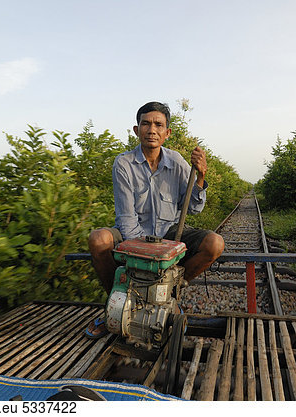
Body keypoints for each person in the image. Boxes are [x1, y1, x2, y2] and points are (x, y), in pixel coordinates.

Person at [84, 101, 225, 338]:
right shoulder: (123, 163)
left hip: (170, 232)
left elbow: (193, 209)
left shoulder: (178, 162)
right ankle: (115, 304)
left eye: (159, 125)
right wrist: (148, 253)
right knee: (98, 239)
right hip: (132, 235)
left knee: (215, 244)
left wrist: (200, 176)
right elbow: (127, 218)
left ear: (167, 133)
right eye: (146, 124)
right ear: (136, 130)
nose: (152, 130)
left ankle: (170, 295)